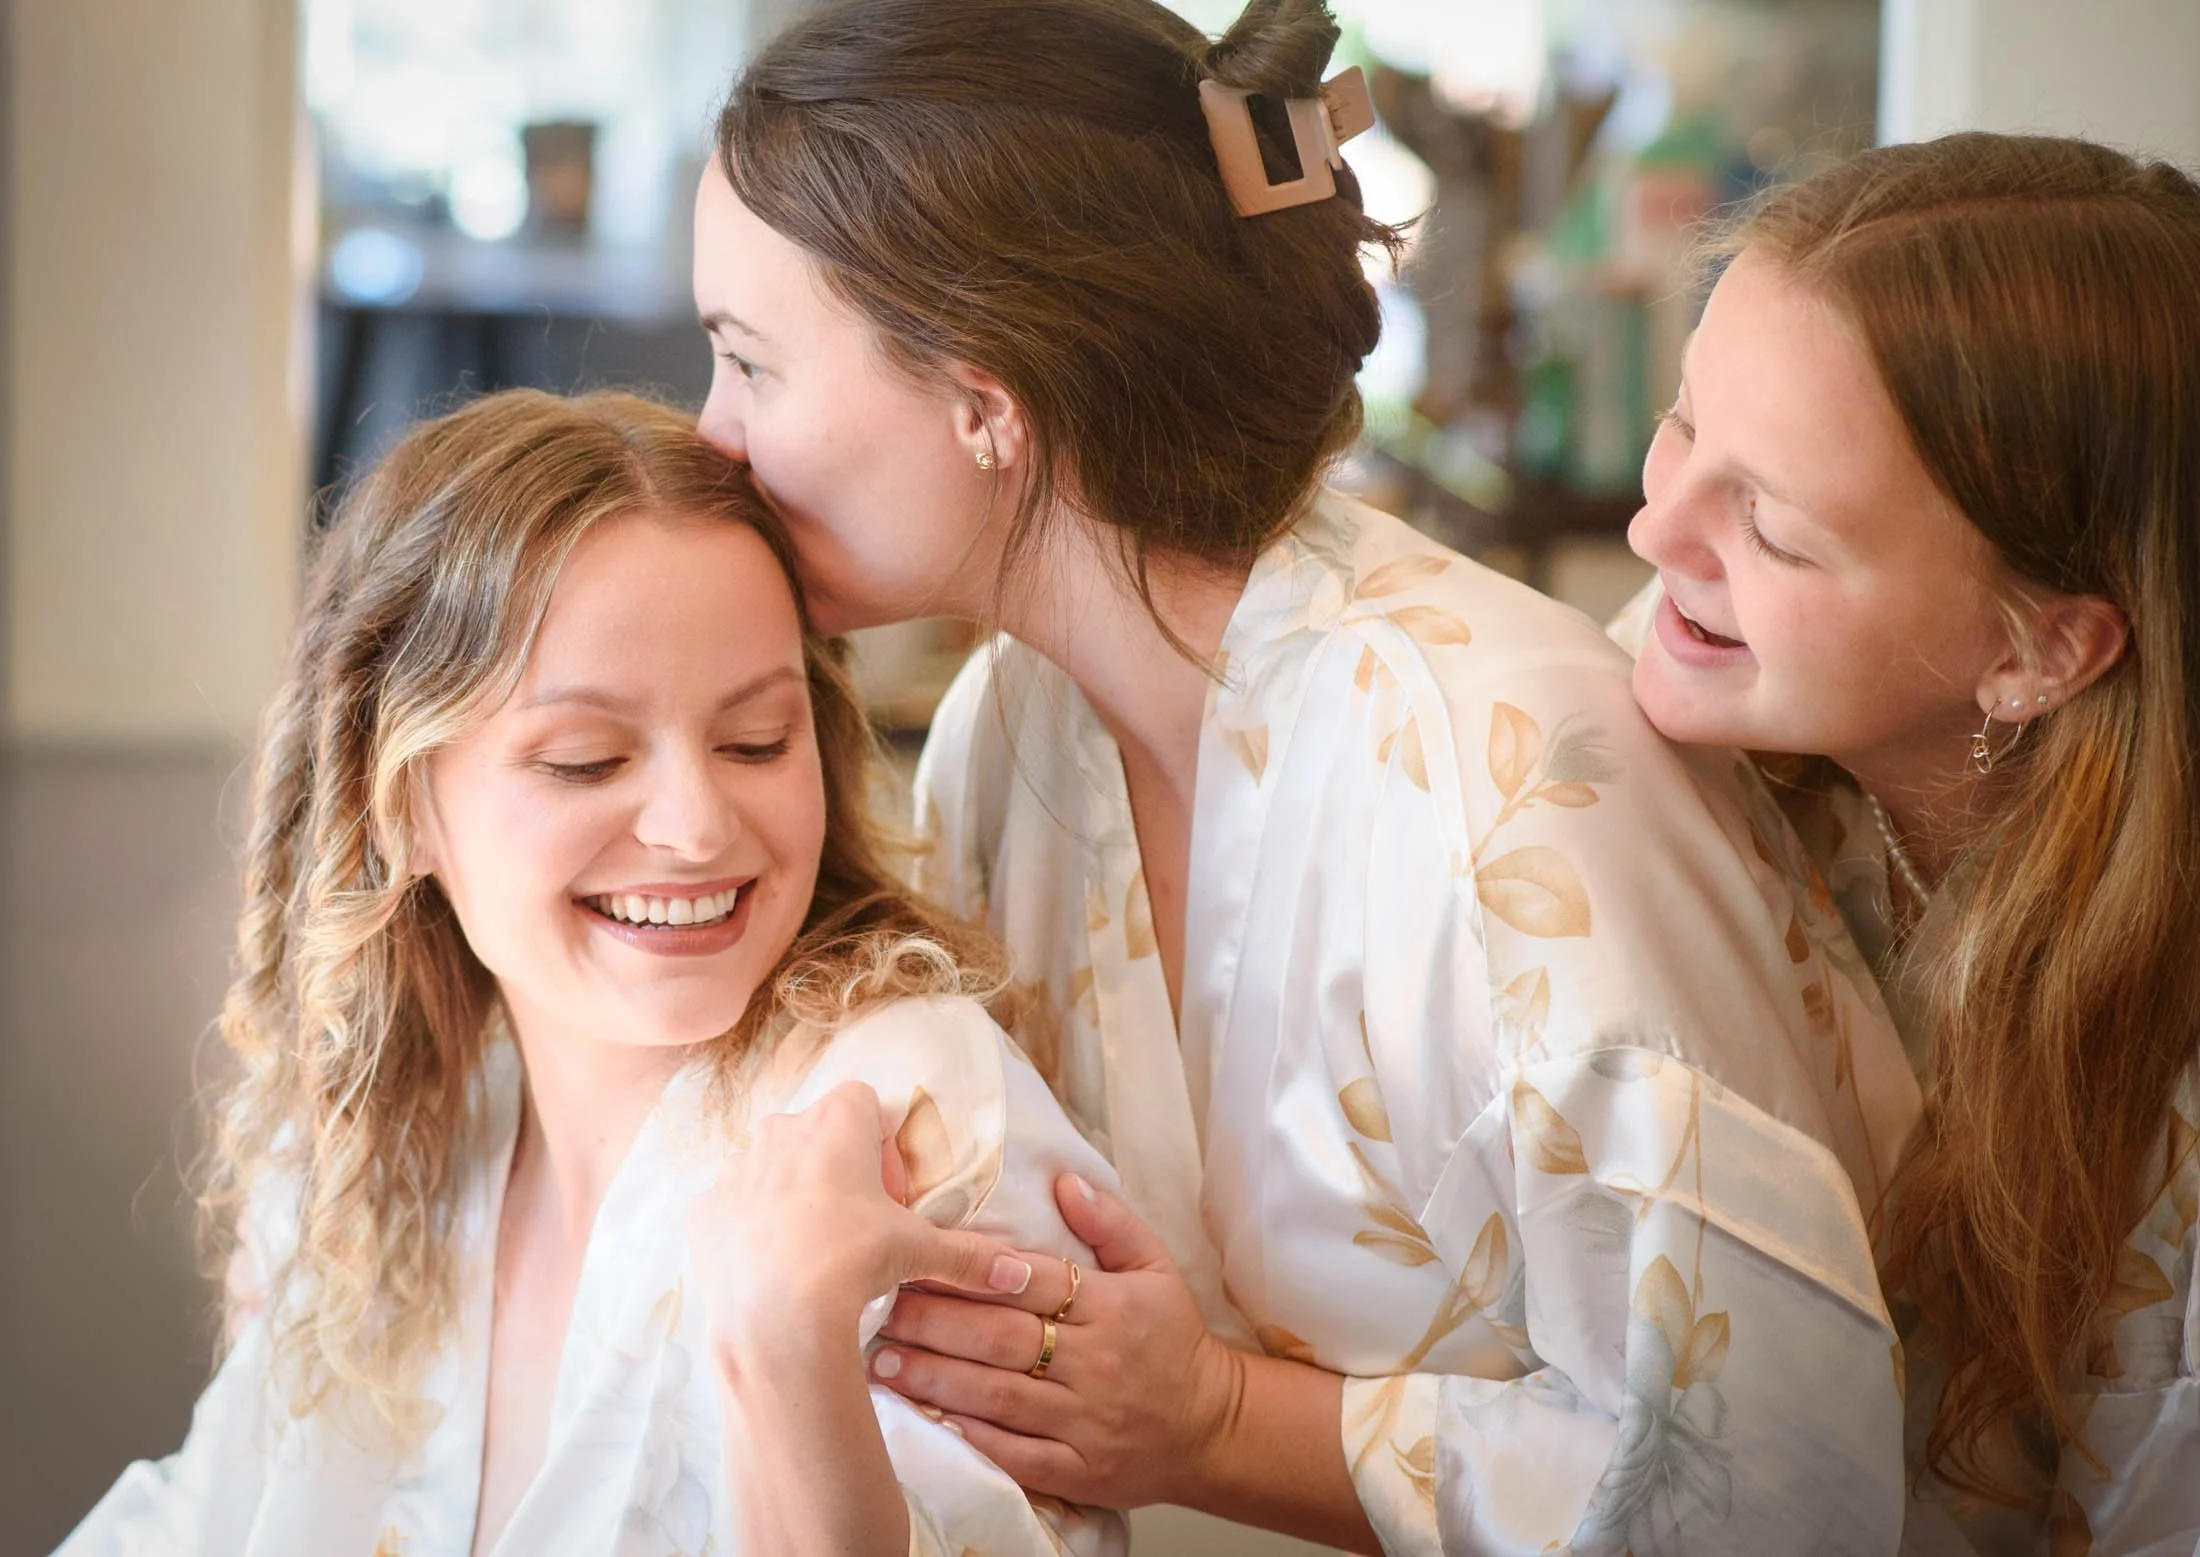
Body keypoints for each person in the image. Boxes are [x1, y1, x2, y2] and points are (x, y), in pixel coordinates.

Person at [693, 0, 1924, 1549]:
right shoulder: (1012, 731)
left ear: (982, 393)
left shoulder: (1514, 775)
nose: (713, 435)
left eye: (749, 363)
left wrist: (1215, 1422)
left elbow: (1773, 1488)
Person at [57, 389, 1125, 1557]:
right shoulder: (383, 1138)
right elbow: (205, 1515)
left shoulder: (916, 1118)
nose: (695, 825)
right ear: (397, 801)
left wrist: (785, 1356)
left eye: (756, 740)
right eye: (585, 760)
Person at [1613, 133, 2200, 1554]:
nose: (1652, 528)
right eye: (1685, 426)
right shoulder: (1674, 700)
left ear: (2040, 649)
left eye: (1772, 523)